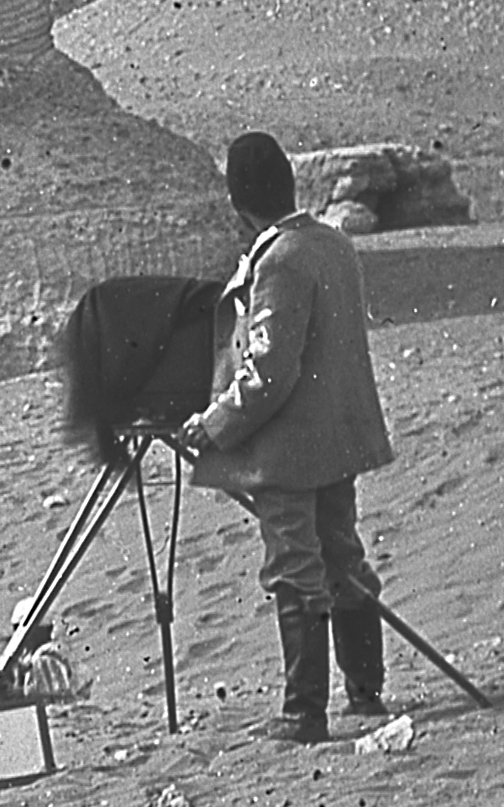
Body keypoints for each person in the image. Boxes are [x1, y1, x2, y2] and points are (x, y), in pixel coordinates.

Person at [169, 130, 397, 745]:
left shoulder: (281, 261)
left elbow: (269, 373)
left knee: (296, 566)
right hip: (337, 439)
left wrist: (212, 426)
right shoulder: (332, 244)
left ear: (238, 202)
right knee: (343, 556)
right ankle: (365, 693)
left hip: (290, 449)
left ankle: (303, 714)